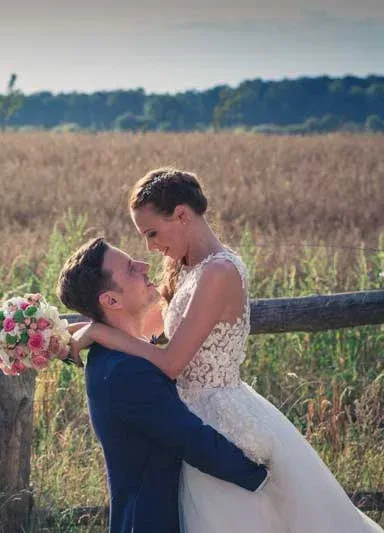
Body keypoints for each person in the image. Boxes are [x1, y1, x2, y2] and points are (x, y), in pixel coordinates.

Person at [71, 167, 383, 532]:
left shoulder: (219, 272)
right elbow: (148, 328)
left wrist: (100, 332)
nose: (150, 247)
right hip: (190, 412)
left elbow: (171, 363)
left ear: (183, 215)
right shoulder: (183, 265)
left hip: (221, 416)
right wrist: (72, 332)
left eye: (152, 233)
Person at [56, 236, 269, 533]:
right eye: (131, 269)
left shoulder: (120, 354)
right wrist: (262, 479)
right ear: (111, 301)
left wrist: (93, 330)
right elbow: (191, 439)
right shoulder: (124, 371)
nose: (144, 266)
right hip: (153, 520)